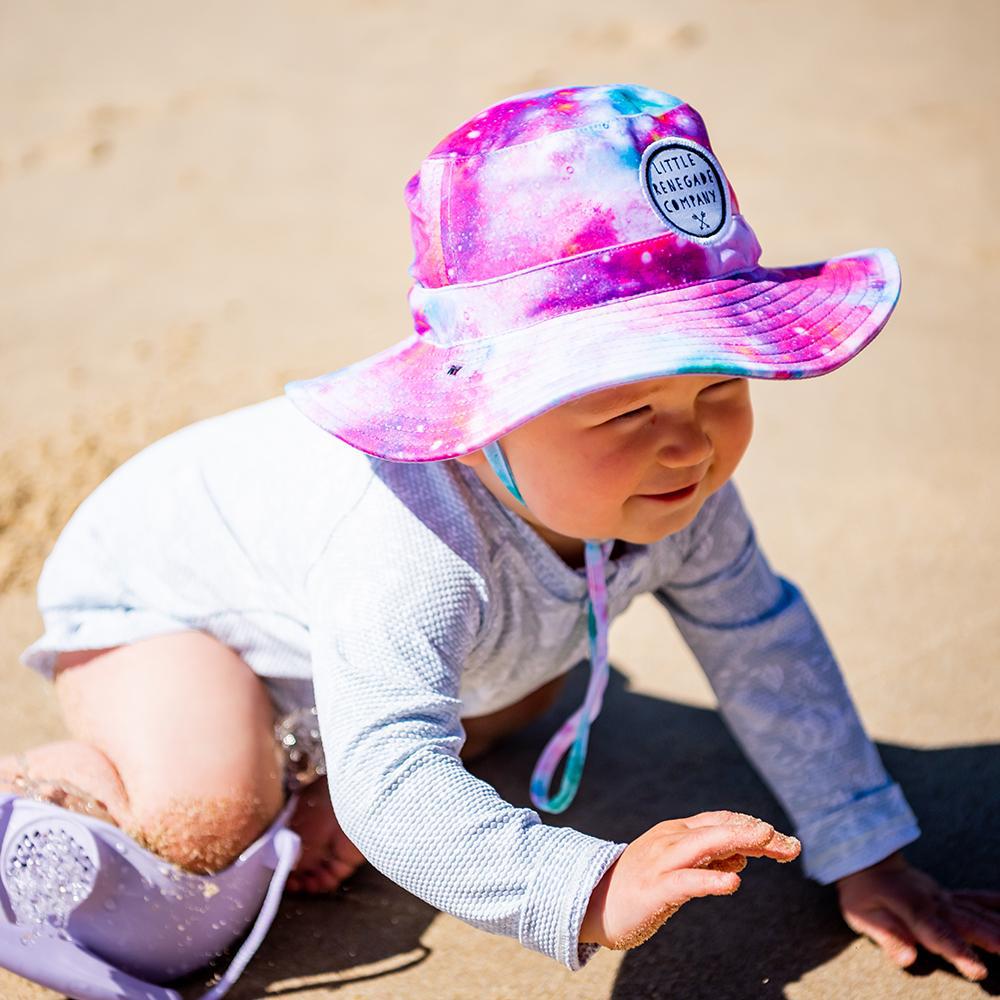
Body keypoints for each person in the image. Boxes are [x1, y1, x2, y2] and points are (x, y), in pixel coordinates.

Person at [3, 84, 997, 994]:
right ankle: (73, 789)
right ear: (477, 421)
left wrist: (866, 851)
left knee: (519, 687)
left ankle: (309, 757)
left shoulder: (682, 492)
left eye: (721, 385)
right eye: (623, 411)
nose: (687, 439)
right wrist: (588, 884)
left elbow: (762, 644)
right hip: (159, 611)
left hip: (346, 622)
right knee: (205, 832)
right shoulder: (410, 540)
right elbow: (395, 781)